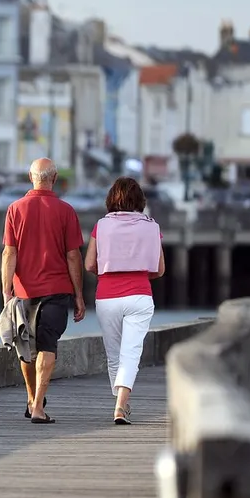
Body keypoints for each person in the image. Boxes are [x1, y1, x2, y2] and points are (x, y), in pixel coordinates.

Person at [2, 157, 86, 424]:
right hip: (57, 289)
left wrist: (6, 292)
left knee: (26, 346)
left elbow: (9, 253)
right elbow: (73, 256)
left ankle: (32, 399)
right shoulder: (66, 211)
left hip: (24, 291)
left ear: (30, 177)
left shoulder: (15, 209)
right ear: (55, 178)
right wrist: (79, 295)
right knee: (48, 345)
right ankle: (37, 404)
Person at [85, 177, 164, 425]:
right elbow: (159, 270)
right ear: (140, 200)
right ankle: (121, 405)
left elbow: (89, 264)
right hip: (140, 295)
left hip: (107, 297)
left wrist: (108, 271)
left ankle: (120, 402)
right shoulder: (152, 227)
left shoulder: (101, 226)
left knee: (114, 355)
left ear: (111, 198)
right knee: (131, 352)